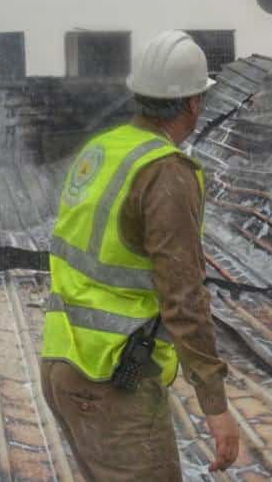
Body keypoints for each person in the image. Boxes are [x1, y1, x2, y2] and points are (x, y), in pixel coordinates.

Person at [40, 30, 240, 480]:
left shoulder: (101, 150)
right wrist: (216, 406)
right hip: (112, 385)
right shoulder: (165, 171)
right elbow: (183, 296)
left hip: (63, 364)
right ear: (193, 104)